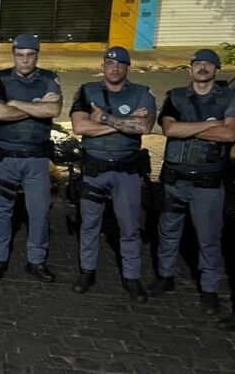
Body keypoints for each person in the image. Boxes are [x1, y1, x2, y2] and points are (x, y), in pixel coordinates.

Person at [149, 49, 234, 315]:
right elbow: (170, 129)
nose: (202, 67)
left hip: (207, 182)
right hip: (175, 179)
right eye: (198, 63)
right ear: (190, 69)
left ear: (216, 69)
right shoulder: (175, 96)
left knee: (209, 238)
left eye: (209, 63)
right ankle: (165, 276)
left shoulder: (228, 97)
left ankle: (209, 290)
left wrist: (191, 128)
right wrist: (211, 125)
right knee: (168, 232)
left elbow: (229, 133)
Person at [69, 46, 156, 303]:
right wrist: (123, 125)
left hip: (126, 170)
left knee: (130, 226)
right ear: (103, 66)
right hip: (94, 168)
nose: (114, 68)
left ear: (127, 67)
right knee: (89, 224)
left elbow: (145, 125)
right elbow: (79, 125)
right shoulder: (87, 90)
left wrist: (104, 118)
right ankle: (87, 272)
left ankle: (131, 277)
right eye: (109, 63)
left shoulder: (142, 93)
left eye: (120, 64)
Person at [0, 33, 61, 282]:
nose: (25, 60)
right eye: (20, 55)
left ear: (37, 55)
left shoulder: (49, 78)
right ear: (14, 55)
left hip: (37, 158)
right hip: (5, 158)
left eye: (30, 55)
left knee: (39, 212)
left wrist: (16, 103)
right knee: (2, 211)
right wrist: (36, 107)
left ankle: (36, 261)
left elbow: (54, 109)